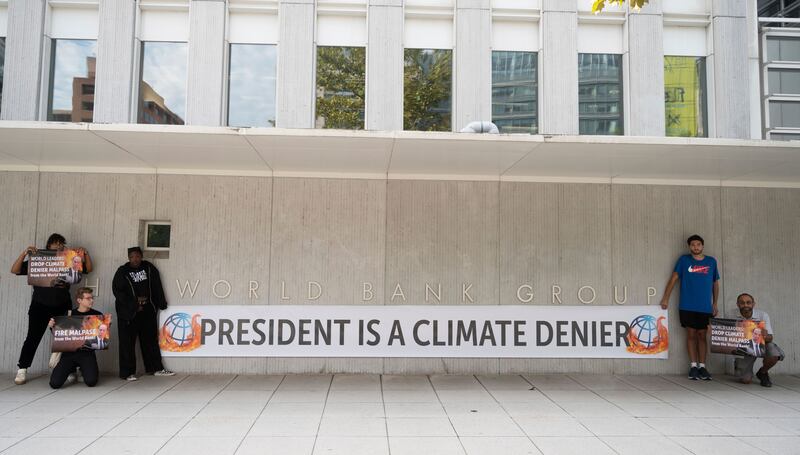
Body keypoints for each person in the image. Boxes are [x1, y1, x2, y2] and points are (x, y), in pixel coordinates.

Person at [10, 233, 93, 385]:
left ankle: (71, 369)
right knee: (32, 338)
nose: (59, 246)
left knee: (67, 339)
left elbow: (88, 268)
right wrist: (24, 253)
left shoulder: (69, 260)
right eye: (56, 244)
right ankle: (22, 369)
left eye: (62, 244)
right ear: (49, 246)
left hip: (62, 305)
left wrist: (85, 254)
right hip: (39, 305)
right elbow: (14, 270)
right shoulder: (38, 259)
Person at [660, 234, 719, 381]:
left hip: (705, 307)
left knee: (702, 336)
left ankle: (703, 367)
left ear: (702, 246)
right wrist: (665, 298)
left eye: (698, 244)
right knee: (691, 335)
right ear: (689, 246)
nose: (696, 247)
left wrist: (715, 303)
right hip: (687, 304)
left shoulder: (711, 262)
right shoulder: (684, 260)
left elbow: (715, 283)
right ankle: (693, 366)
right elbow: (673, 279)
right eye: (693, 245)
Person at [112, 246, 174, 380]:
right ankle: (128, 373)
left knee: (150, 341)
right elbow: (118, 292)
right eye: (132, 257)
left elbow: (157, 285)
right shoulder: (122, 271)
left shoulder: (149, 268)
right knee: (127, 343)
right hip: (129, 313)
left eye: (137, 256)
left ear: (141, 256)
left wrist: (161, 302)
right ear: (128, 258)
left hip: (147, 311)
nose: (135, 259)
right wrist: (134, 303)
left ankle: (155, 368)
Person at [48, 287, 104, 389]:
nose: (92, 300)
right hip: (68, 354)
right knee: (54, 384)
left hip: (87, 353)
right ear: (79, 300)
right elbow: (60, 335)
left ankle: (82, 370)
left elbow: (101, 338)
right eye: (88, 298)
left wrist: (104, 328)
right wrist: (52, 327)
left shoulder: (97, 315)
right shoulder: (69, 314)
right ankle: (71, 370)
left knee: (91, 381)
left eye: (92, 298)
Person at [732, 293, 784, 387]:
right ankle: (741, 367)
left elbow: (770, 338)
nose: (746, 305)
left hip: (760, 344)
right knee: (745, 380)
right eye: (742, 303)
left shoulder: (763, 315)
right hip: (743, 348)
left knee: (774, 353)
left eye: (748, 302)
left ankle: (763, 373)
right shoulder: (730, 315)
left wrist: (764, 335)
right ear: (737, 304)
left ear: (753, 304)